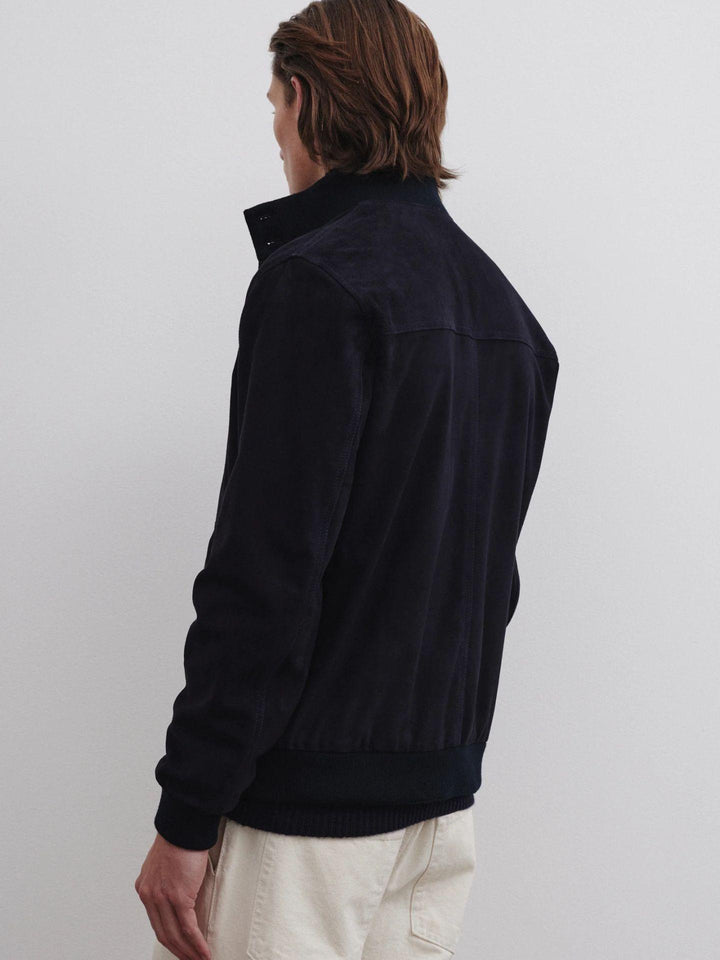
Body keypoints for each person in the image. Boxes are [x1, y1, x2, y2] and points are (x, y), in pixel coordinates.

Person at [135, 1, 560, 958]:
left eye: (274, 106)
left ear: (307, 98)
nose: (276, 136)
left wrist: (186, 814)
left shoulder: (317, 284)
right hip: (438, 813)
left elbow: (265, 579)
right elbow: (488, 583)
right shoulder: (506, 313)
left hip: (307, 829)